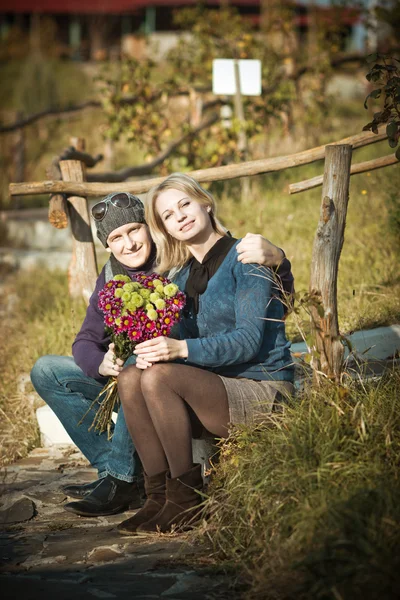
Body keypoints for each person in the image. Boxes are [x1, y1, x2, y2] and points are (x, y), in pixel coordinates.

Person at [30, 190, 294, 519]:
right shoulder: (112, 276)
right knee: (49, 369)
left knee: (141, 363)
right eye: (116, 238)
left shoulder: (178, 265)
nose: (128, 243)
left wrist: (279, 259)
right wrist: (100, 362)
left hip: (188, 375)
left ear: (150, 228)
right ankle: (119, 475)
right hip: (147, 376)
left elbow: (272, 304)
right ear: (107, 245)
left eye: (134, 230)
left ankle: (127, 479)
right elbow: (85, 338)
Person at [115, 174, 295, 536]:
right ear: (164, 228)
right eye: (168, 215)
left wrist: (180, 349)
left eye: (185, 204)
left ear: (205, 203)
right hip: (215, 387)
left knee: (159, 376)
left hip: (263, 388)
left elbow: (247, 340)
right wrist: (139, 349)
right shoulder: (179, 277)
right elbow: (175, 339)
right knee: (133, 376)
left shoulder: (245, 256)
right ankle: (159, 496)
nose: (179, 216)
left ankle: (187, 500)